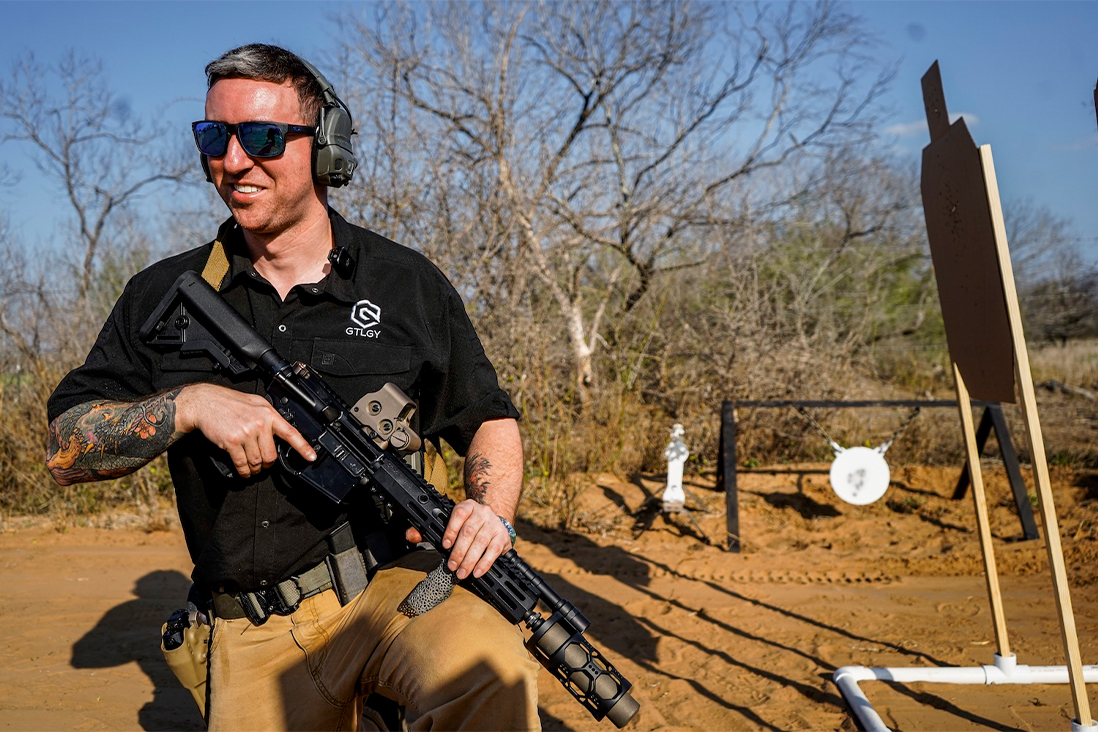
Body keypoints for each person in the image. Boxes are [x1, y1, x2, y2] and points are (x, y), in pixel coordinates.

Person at [45, 43, 540, 731]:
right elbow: (64, 447)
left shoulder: (404, 285)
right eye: (214, 136)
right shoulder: (163, 295)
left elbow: (486, 416)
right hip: (255, 625)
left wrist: (493, 511)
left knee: (492, 676)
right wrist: (187, 405)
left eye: (264, 137)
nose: (234, 160)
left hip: (396, 591)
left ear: (325, 147)